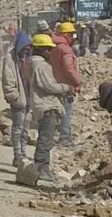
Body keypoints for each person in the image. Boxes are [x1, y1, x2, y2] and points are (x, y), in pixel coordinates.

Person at [26, 29, 76, 182]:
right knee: (46, 139)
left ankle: (43, 167)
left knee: (46, 138)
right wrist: (66, 88)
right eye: (48, 49)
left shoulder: (36, 64)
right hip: (46, 105)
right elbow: (48, 86)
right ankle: (41, 169)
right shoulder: (40, 66)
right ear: (40, 49)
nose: (50, 52)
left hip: (45, 104)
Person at [1, 32, 32, 169]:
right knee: (18, 128)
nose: (26, 50)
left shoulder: (28, 58)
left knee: (26, 128)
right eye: (24, 48)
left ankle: (23, 153)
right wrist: (14, 97)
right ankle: (17, 154)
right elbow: (7, 81)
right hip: (19, 100)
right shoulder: (10, 58)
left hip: (29, 98)